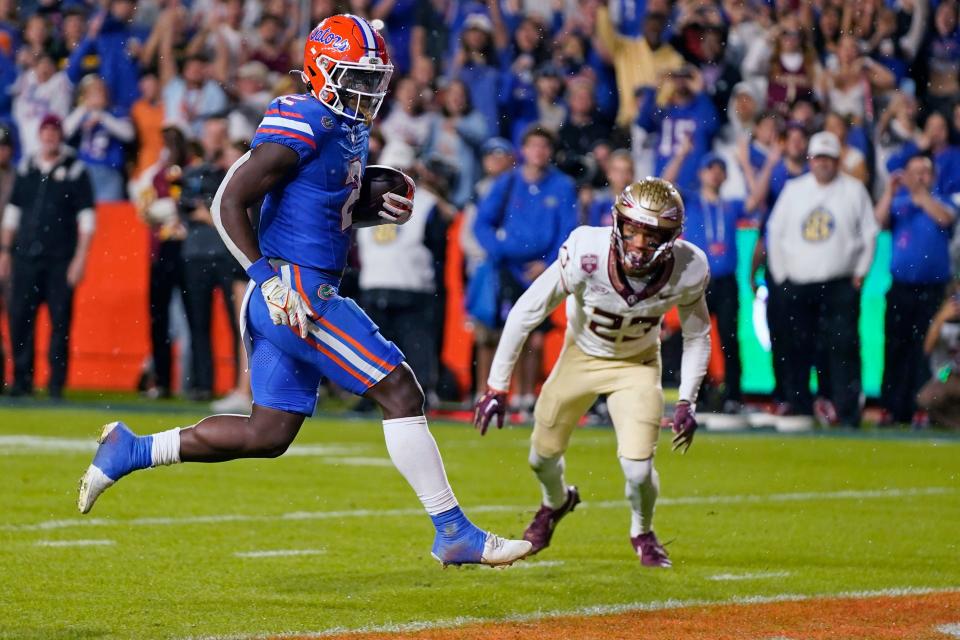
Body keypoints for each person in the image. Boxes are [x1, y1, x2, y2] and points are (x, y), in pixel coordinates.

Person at [77, 14, 531, 569]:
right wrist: (266, 278)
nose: (368, 92)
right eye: (357, 78)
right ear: (323, 71)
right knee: (401, 390)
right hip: (295, 293)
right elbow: (228, 201)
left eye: (374, 79)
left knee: (268, 433)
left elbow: (314, 206)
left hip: (299, 286)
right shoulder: (306, 117)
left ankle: (133, 449)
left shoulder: (344, 125)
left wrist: (365, 205)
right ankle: (453, 530)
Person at [474, 177, 711, 568]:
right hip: (580, 356)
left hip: (636, 365)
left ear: (671, 238)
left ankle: (642, 530)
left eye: (652, 237)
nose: (638, 244)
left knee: (637, 468)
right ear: (618, 223)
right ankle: (557, 502)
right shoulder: (587, 249)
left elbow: (698, 335)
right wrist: (498, 386)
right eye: (633, 230)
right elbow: (527, 310)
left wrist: (688, 399)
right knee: (540, 458)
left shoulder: (688, 267)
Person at [766, 131, 879, 428]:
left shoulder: (854, 190)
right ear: (810, 160)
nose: (823, 164)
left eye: (828, 158)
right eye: (818, 158)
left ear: (837, 161)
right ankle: (800, 408)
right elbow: (774, 232)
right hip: (799, 284)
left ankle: (847, 413)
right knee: (797, 348)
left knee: (843, 349)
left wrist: (861, 272)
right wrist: (780, 275)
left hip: (840, 283)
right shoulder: (793, 189)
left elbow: (870, 234)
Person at [472, 125, 578, 416]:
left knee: (536, 333)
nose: (539, 152)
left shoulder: (562, 185)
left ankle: (526, 396)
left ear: (550, 152)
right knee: (496, 330)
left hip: (543, 268)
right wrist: (500, 251)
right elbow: (482, 223)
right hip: (507, 267)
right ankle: (490, 391)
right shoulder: (506, 183)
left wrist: (548, 263)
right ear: (524, 150)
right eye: (534, 146)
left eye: (544, 147)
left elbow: (569, 229)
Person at [0, 114, 95, 398]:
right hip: (26, 256)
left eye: (54, 131)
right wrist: (5, 252)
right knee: (20, 318)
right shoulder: (27, 168)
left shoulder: (76, 170)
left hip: (60, 259)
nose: (50, 136)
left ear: (61, 135)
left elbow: (88, 219)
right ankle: (21, 379)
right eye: (46, 131)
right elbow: (12, 215)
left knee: (60, 321)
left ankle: (56, 384)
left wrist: (80, 258)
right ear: (40, 135)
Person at [874, 155, 956, 425]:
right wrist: (889, 190)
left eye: (925, 172)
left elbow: (945, 219)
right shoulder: (899, 204)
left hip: (932, 290)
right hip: (901, 288)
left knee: (925, 352)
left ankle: (922, 408)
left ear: (932, 177)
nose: (920, 177)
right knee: (895, 347)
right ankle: (892, 408)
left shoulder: (942, 201)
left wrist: (922, 197)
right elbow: (878, 221)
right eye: (915, 172)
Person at [916, 285, 960, 430]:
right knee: (926, 398)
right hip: (948, 375)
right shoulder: (943, 323)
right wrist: (940, 319)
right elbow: (927, 349)